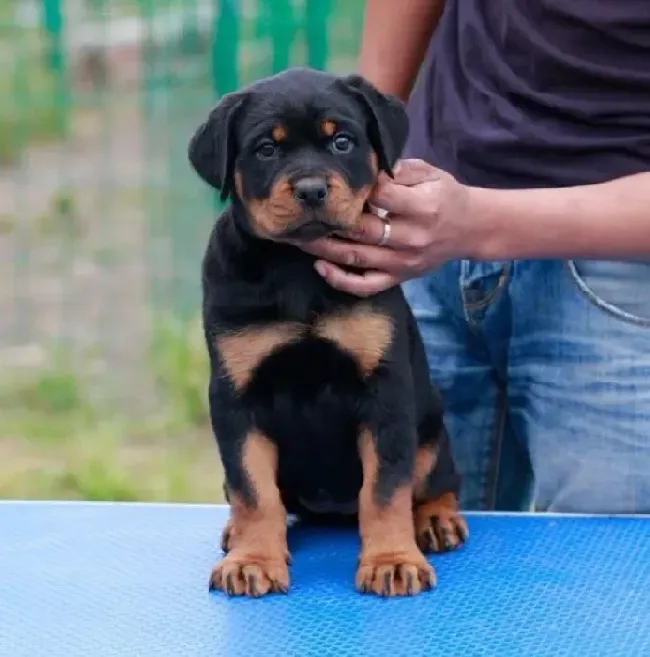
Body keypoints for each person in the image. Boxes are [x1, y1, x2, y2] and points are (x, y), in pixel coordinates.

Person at [300, 0, 650, 513]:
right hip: (422, 220)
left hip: (618, 268)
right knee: (368, 535)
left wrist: (475, 223)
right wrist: (365, 134)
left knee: (603, 577)